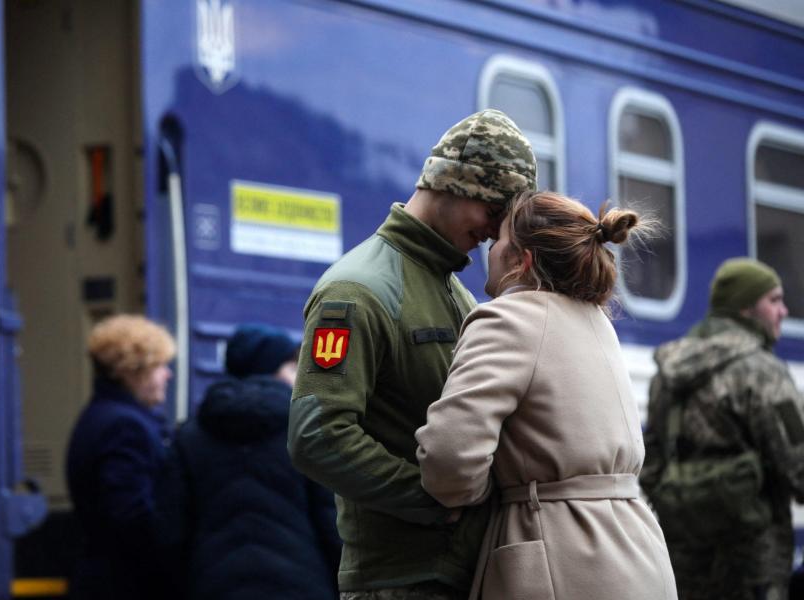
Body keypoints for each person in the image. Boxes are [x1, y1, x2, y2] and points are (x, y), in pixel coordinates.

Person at [288, 109, 537, 599]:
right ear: (453, 184)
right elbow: (317, 434)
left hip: (463, 572)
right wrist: (432, 499)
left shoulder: (456, 293)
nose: (493, 232)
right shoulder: (356, 291)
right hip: (399, 581)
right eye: (492, 211)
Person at [415, 190, 677, 600]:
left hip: (559, 557)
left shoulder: (508, 318)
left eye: (499, 238)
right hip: (639, 551)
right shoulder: (597, 321)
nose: (490, 246)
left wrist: (476, 493)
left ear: (522, 260)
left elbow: (449, 460)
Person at [640, 257, 804, 600]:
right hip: (751, 566)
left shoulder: (668, 372)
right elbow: (799, 465)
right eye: (773, 300)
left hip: (682, 564)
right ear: (745, 307)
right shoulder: (761, 371)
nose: (784, 312)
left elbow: (650, 464)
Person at [175, 323, 342, 600]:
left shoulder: (191, 435)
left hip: (214, 586)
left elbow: (171, 530)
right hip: (300, 586)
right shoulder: (305, 429)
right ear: (270, 370)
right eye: (291, 368)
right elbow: (331, 522)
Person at [65, 315, 185, 600]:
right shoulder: (125, 427)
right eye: (159, 366)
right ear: (131, 371)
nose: (168, 375)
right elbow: (131, 518)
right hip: (128, 584)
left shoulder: (100, 417)